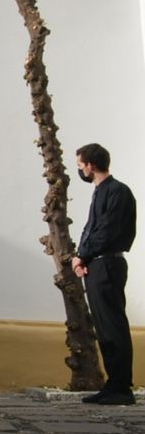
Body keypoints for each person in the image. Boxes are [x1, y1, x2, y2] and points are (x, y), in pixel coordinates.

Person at [72, 143, 136, 405]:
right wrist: (81, 258)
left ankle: (122, 387)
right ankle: (113, 384)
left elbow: (107, 230)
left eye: (80, 165)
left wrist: (83, 255)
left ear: (91, 165)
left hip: (108, 264)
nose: (80, 170)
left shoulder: (118, 191)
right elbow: (90, 229)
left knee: (113, 326)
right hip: (97, 265)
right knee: (104, 327)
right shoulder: (100, 192)